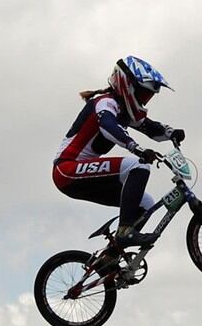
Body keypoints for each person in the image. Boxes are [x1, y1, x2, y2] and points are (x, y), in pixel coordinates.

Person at [52, 56, 185, 247]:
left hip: (79, 177)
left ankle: (111, 256)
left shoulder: (124, 111)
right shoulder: (105, 103)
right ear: (127, 85)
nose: (144, 100)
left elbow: (149, 127)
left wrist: (171, 133)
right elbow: (109, 126)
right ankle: (125, 232)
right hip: (67, 169)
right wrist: (137, 149)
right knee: (138, 165)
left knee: (146, 204)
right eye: (143, 93)